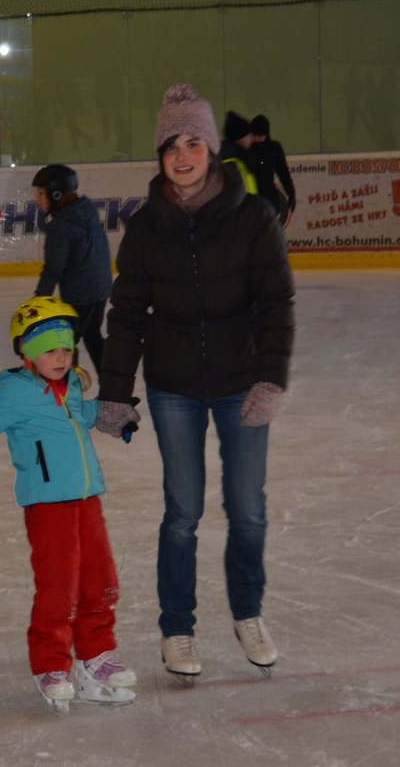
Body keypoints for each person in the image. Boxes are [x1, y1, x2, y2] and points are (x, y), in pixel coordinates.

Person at [97, 84, 295, 686]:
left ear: (211, 148)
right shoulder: (147, 228)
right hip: (174, 384)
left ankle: (248, 612)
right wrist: (115, 391)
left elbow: (275, 303)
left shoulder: (253, 217)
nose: (182, 156)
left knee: (248, 511)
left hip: (241, 381)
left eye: (192, 142)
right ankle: (177, 627)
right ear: (159, 156)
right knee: (182, 512)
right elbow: (126, 315)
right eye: (170, 146)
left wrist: (271, 379)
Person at [0, 296, 136, 715]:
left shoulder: (69, 387)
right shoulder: (16, 390)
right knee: (59, 588)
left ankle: (95, 658)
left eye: (67, 348)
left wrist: (114, 417)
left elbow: (81, 416)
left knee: (100, 579)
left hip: (88, 502)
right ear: (27, 352)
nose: (61, 357)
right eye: (51, 349)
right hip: (49, 508)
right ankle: (51, 666)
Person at [31, 164, 112, 375]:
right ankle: (112, 388)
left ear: (56, 194)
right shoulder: (85, 212)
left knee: (66, 342)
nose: (38, 199)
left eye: (41, 193)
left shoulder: (60, 226)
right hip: (101, 288)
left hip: (81, 293)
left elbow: (53, 268)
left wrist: (39, 300)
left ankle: (67, 389)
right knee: (93, 334)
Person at [250, 116, 296, 217]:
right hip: (251, 202)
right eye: (254, 135)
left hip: (269, 201)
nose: (256, 138)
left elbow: (283, 173)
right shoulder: (247, 149)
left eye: (259, 136)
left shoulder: (274, 149)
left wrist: (291, 193)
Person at [219, 111, 260, 196]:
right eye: (248, 136)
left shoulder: (243, 156)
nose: (251, 139)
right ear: (238, 137)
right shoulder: (230, 161)